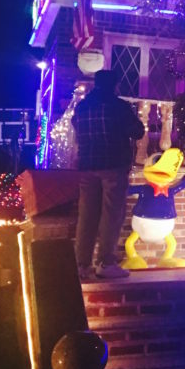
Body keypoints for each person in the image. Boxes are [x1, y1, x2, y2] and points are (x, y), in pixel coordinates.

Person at [72, 70, 145, 279]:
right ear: (115, 85)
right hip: (113, 164)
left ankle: (81, 265)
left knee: (86, 215)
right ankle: (105, 262)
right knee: (111, 214)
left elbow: (76, 128)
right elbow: (137, 131)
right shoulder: (118, 106)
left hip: (87, 165)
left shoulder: (82, 106)